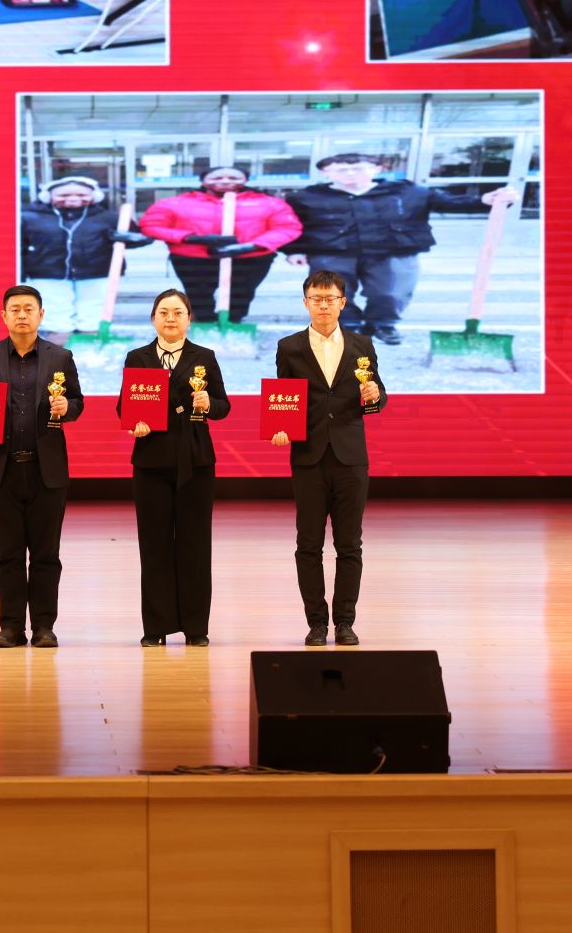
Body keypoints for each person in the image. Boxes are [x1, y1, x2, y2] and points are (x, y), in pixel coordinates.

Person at [281, 155, 520, 344]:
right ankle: (346, 325)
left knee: (391, 292)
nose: (350, 173)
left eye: (359, 168)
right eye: (341, 169)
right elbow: (288, 224)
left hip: (393, 250)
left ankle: (382, 324)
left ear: (377, 169)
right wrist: (293, 250)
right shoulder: (305, 197)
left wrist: (485, 201)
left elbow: (448, 202)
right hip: (330, 252)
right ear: (326, 173)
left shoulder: (406, 192)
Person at [270, 271, 386, 648]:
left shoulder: (361, 344)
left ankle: (345, 623)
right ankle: (317, 623)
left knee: (349, 544)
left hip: (351, 457)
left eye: (330, 298)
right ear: (306, 303)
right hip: (308, 457)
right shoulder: (289, 347)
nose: (323, 305)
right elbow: (284, 397)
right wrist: (281, 427)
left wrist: (374, 397)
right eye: (316, 299)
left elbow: (378, 396)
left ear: (342, 302)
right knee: (308, 545)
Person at [0, 286, 85, 648]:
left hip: (46, 470)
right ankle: (11, 627)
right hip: (1, 470)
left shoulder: (60, 356)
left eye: (29, 309)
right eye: (15, 309)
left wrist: (68, 408)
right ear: (4, 316)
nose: (22, 315)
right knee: (8, 555)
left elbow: (77, 401)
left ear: (41, 315)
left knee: (46, 555)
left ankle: (44, 627)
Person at [118, 289, 230, 647]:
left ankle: (196, 628)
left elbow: (224, 406)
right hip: (151, 459)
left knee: (195, 543)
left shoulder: (204, 357)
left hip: (195, 458)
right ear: (153, 318)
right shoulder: (137, 357)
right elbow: (124, 407)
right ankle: (156, 627)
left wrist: (209, 403)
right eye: (163, 312)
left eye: (178, 312)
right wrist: (135, 421)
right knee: (154, 544)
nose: (170, 318)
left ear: (189, 319)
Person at [139, 167, 302, 324]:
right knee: (198, 294)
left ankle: (233, 321)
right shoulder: (174, 203)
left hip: (251, 258)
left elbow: (287, 227)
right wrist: (190, 238)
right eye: (217, 177)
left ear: (245, 180)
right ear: (203, 180)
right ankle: (204, 321)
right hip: (193, 257)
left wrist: (253, 245)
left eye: (233, 177)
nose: (225, 181)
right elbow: (151, 226)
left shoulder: (271, 204)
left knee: (241, 293)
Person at [21, 177, 150, 333]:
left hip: (97, 272)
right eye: (63, 195)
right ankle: (58, 343)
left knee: (93, 311)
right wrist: (22, 271)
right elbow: (17, 245)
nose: (73, 199)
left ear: (94, 196)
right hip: (47, 273)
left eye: (82, 195)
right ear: (49, 196)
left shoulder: (109, 218)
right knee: (54, 313)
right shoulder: (29, 217)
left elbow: (141, 238)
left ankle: (89, 341)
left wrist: (130, 238)